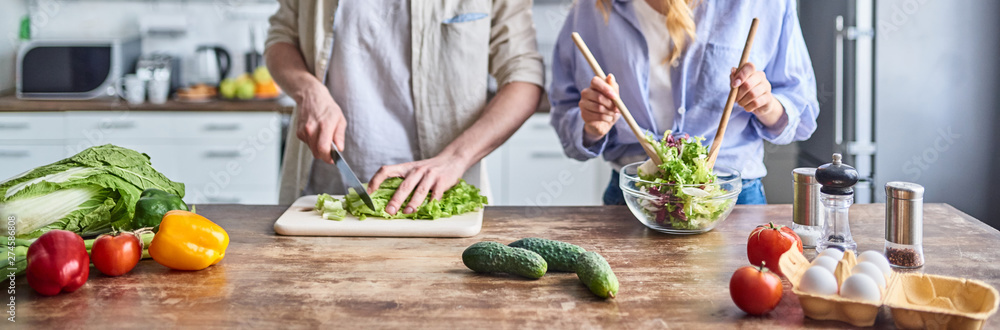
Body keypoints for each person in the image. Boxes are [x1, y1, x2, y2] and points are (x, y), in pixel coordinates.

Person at [265, 1, 544, 214]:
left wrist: (455, 158)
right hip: (324, 196)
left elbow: (524, 77)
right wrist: (308, 90)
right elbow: (281, 37)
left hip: (440, 200)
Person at [549, 0, 819, 205]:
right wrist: (591, 127)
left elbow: (803, 112)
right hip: (633, 199)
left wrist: (767, 105)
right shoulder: (589, 10)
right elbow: (564, 110)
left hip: (731, 199)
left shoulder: (762, 5)